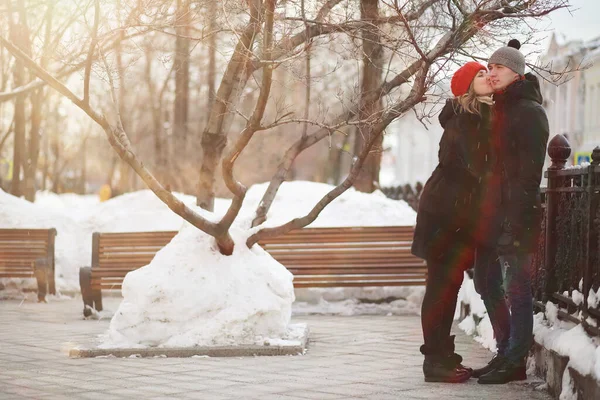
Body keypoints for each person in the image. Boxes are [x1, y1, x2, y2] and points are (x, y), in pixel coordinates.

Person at [411, 61, 496, 383]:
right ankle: (435, 361)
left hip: (454, 212)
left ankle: (441, 356)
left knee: (447, 286)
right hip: (446, 214)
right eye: (479, 73)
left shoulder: (474, 116)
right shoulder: (465, 120)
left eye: (488, 70)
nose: (487, 75)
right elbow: (473, 170)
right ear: (466, 86)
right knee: (441, 288)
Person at [473, 39, 550, 384]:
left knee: (517, 290)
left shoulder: (529, 112)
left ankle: (515, 359)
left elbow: (528, 174)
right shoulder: (499, 108)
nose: (491, 73)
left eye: (498, 67)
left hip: (514, 217)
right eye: (489, 67)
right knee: (485, 281)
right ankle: (505, 351)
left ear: (516, 73)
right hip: (493, 215)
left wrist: (513, 221)